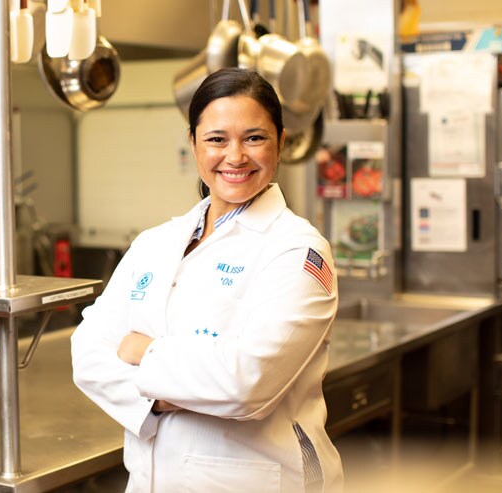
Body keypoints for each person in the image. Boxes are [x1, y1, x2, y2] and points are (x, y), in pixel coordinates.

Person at [71, 68, 342, 493]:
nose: (235, 156)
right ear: (194, 143)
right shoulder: (156, 243)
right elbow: (88, 356)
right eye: (217, 139)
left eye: (254, 138)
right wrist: (174, 392)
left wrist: (146, 352)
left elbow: (244, 384)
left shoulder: (297, 250)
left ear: (281, 142)